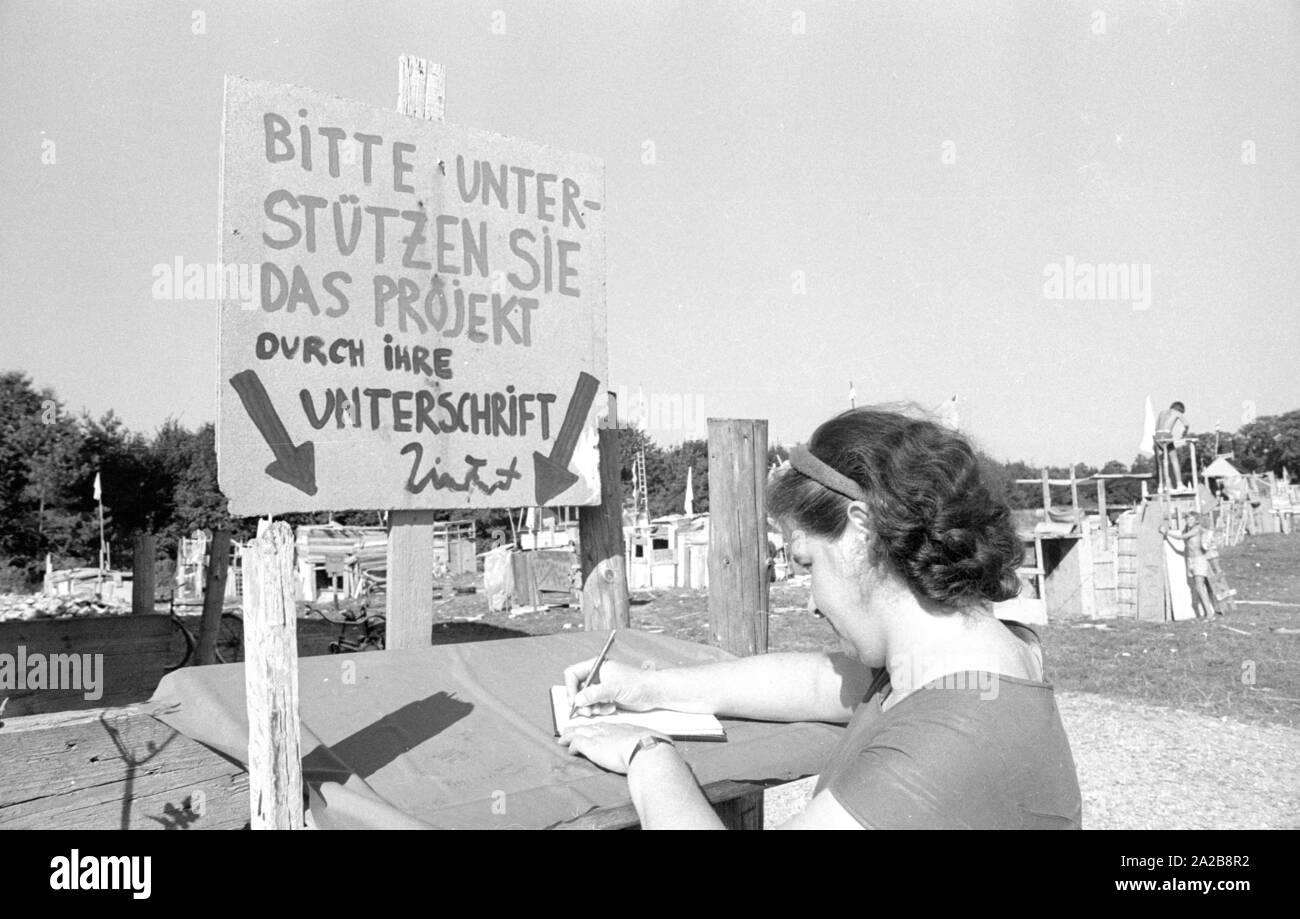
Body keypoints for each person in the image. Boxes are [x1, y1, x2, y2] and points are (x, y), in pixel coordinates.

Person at [557, 407, 1082, 829]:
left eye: (807, 562)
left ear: (861, 532)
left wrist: (649, 756)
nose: (812, 601)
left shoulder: (950, 741)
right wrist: (649, 689)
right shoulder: (960, 657)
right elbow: (814, 681)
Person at [1160, 511, 1221, 618]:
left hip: (1199, 560)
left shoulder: (1197, 529)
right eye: (1187, 519)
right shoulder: (1188, 528)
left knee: (1200, 586)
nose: (1188, 521)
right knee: (1197, 588)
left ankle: (1210, 614)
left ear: (1196, 520)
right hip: (1190, 560)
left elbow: (1181, 537)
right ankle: (1208, 611)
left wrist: (1166, 533)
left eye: (1191, 519)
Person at [1153, 401, 1189, 492]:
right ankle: (1179, 484)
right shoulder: (1177, 412)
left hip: (1157, 437)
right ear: (1180, 409)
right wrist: (1185, 432)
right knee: (1174, 460)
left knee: (1162, 462)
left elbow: (1156, 427)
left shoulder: (1162, 412)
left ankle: (1162, 486)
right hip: (1166, 435)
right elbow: (1186, 424)